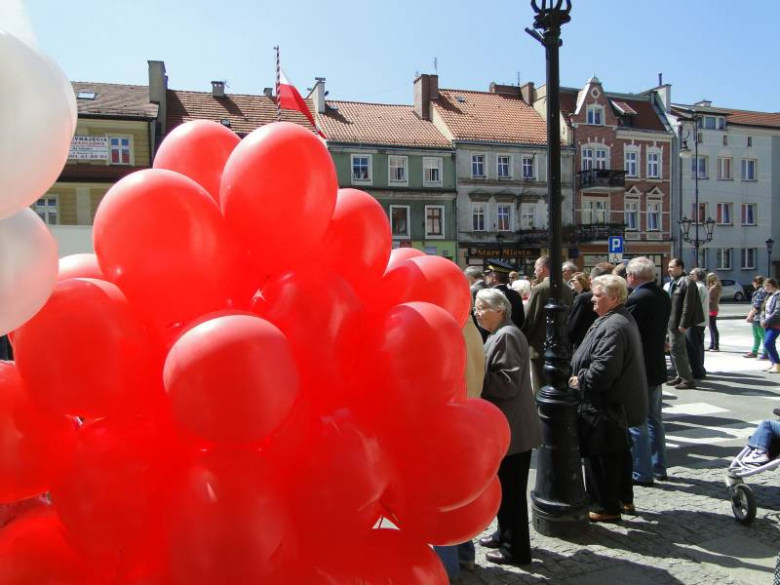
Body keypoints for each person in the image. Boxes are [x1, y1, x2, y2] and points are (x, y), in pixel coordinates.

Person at [569, 275, 647, 522]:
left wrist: (580, 378)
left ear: (614, 298)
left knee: (602, 457)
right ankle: (624, 500)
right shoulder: (612, 319)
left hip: (604, 406)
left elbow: (603, 372)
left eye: (598, 295)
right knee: (617, 454)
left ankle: (605, 507)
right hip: (611, 406)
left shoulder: (614, 325)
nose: (592, 299)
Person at [474, 288, 541, 566]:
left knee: (512, 494)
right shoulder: (498, 334)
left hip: (513, 429)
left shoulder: (507, 335)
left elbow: (508, 383)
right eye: (476, 307)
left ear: (500, 310)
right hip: (505, 429)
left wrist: (476, 378)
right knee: (504, 489)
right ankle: (503, 534)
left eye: (481, 308)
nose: (477, 313)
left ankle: (516, 550)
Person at [626, 257, 672, 487]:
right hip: (656, 364)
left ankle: (641, 471)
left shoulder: (637, 298)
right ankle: (659, 466)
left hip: (640, 366)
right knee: (655, 419)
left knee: (637, 421)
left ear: (632, 276)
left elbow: (628, 332)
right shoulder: (662, 294)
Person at [523, 256, 573, 393]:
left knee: (541, 387)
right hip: (561, 347)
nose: (534, 272)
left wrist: (523, 339)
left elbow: (530, 318)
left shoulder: (541, 289)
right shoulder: (566, 287)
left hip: (540, 348)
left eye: (535, 269)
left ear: (542, 269)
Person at [666, 258, 703, 390]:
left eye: (672, 267)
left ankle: (687, 380)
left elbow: (688, 305)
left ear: (680, 267)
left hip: (677, 323)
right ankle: (680, 375)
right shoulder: (675, 281)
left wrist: (683, 324)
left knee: (677, 349)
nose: (669, 269)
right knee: (677, 350)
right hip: (672, 321)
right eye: (669, 267)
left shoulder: (687, 282)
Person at [567, 263, 613, 351]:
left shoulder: (584, 298)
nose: (594, 299)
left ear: (591, 279)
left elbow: (571, 329)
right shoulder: (618, 297)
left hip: (585, 347)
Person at [486, 260, 525, 331]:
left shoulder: (488, 296)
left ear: (494, 277)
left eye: (488, 273)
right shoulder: (515, 295)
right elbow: (521, 321)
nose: (486, 276)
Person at [685, 268, 709, 381]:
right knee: (698, 347)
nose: (689, 275)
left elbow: (692, 304)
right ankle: (699, 369)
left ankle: (697, 371)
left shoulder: (697, 287)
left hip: (695, 322)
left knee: (694, 348)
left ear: (697, 276)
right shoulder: (701, 286)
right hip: (699, 322)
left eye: (691, 274)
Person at [745, 276, 768, 359]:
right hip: (755, 317)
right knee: (756, 335)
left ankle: (765, 353)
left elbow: (757, 306)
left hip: (759, 317)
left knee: (762, 335)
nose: (752, 284)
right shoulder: (759, 290)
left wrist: (750, 315)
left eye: (753, 282)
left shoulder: (761, 291)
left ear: (755, 282)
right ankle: (754, 351)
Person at [760, 278, 780, 374]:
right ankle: (773, 364)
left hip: (775, 324)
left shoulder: (778, 295)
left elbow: (778, 312)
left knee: (768, 343)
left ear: (770, 285)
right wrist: (762, 319)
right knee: (768, 344)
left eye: (765, 286)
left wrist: (766, 321)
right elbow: (763, 309)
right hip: (768, 324)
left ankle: (777, 363)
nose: (764, 288)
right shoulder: (769, 295)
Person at [706, 273, 722, 351]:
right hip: (712, 308)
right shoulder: (715, 286)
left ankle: (716, 346)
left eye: (708, 278)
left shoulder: (714, 287)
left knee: (713, 327)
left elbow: (708, 297)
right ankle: (712, 344)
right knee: (711, 327)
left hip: (712, 309)